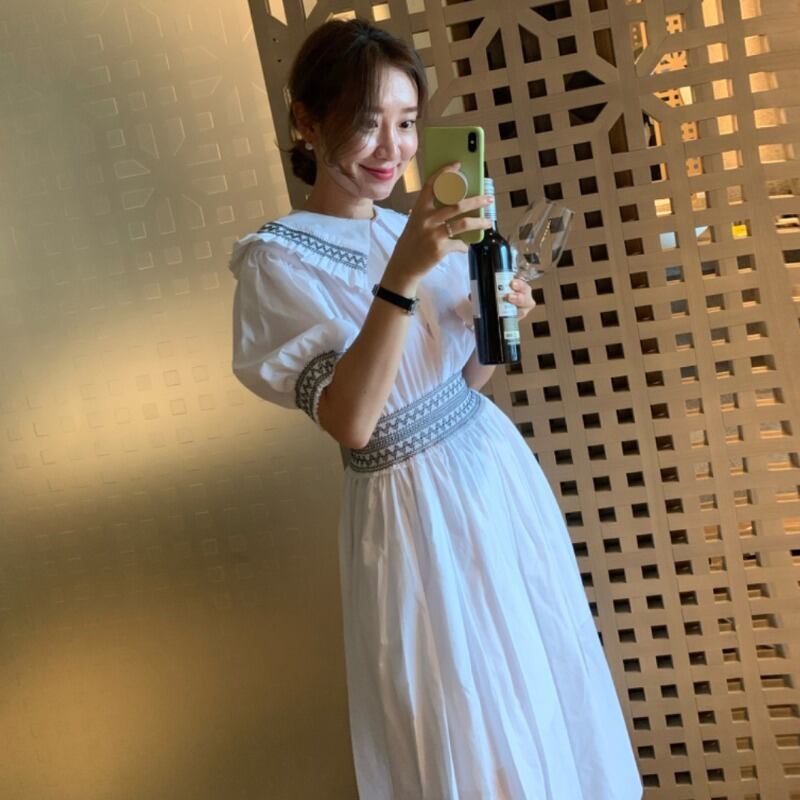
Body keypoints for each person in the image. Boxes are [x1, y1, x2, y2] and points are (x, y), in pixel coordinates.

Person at [229, 17, 643, 800]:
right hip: (411, 511)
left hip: (493, 478)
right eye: (367, 121)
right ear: (308, 121)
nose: (392, 148)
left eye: (407, 121)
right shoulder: (278, 259)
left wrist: (497, 321)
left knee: (534, 685)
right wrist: (404, 276)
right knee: (462, 715)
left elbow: (459, 386)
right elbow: (354, 422)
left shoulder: (413, 225)